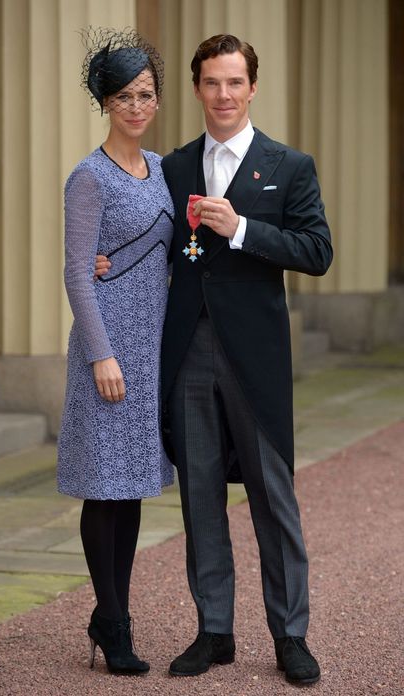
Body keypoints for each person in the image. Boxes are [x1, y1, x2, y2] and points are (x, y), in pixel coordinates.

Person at [96, 34, 333, 686]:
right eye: (211, 83)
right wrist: (104, 258)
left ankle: (289, 636)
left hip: (254, 358)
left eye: (234, 83)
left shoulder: (289, 165)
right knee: (199, 498)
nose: (223, 95)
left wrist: (245, 230)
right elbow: (147, 237)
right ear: (198, 90)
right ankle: (214, 630)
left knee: (271, 501)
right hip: (188, 352)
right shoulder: (171, 168)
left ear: (251, 87)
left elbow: (317, 251)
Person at [57, 27, 174, 675]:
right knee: (103, 488)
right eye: (124, 96)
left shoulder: (162, 169)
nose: (136, 105)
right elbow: (78, 272)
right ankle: (115, 623)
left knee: (128, 488)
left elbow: (177, 248)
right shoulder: (88, 178)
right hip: (107, 351)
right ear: (104, 102)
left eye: (146, 94)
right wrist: (101, 354)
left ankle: (109, 615)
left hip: (151, 347)